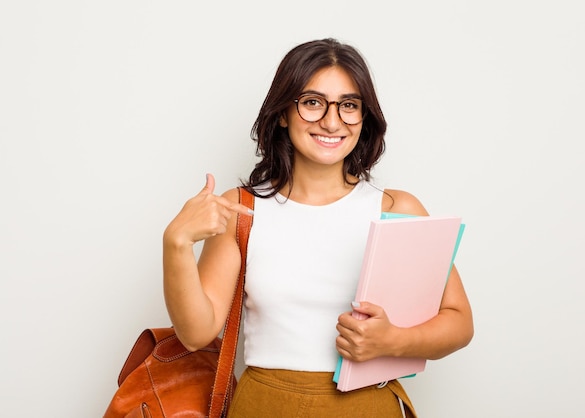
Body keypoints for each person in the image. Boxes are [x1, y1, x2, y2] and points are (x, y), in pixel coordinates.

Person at [163, 38, 473, 418]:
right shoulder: (242, 209)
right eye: (312, 103)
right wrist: (176, 243)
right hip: (264, 406)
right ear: (282, 113)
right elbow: (196, 333)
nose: (331, 121)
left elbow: (459, 322)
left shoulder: (397, 209)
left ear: (364, 116)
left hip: (367, 407)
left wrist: (395, 340)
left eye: (348, 105)